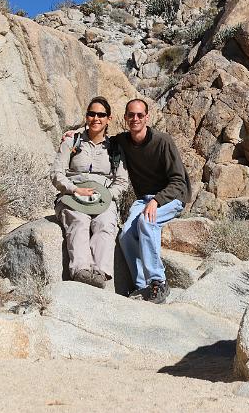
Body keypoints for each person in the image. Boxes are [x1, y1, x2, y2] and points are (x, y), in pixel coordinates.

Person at [116, 98, 191, 304]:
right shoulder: (123, 141)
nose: (135, 119)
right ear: (125, 118)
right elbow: (99, 138)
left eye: (140, 115)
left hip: (171, 197)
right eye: (131, 115)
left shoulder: (162, 141)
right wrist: (73, 136)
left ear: (147, 117)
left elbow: (178, 181)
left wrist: (157, 201)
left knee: (146, 223)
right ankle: (142, 286)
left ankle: (159, 281)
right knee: (125, 235)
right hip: (144, 199)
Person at [51, 96, 128, 288]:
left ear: (108, 119)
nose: (96, 118)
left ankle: (100, 273)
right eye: (91, 114)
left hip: (103, 198)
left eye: (101, 115)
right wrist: (74, 189)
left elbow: (121, 181)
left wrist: (108, 196)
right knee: (79, 220)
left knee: (105, 223)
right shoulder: (73, 141)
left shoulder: (115, 148)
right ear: (86, 117)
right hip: (72, 195)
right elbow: (56, 173)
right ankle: (81, 271)